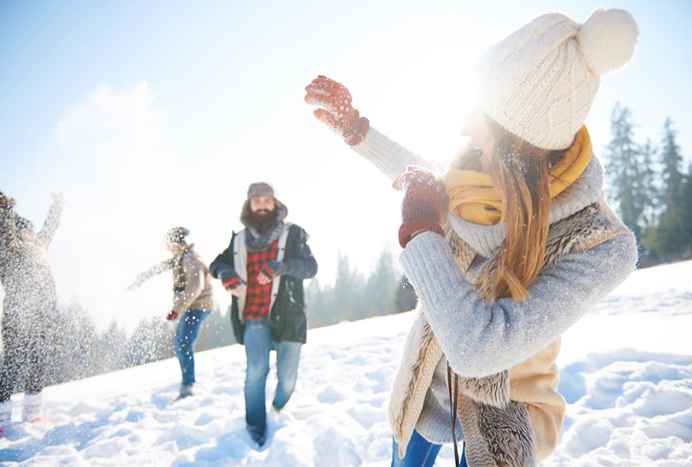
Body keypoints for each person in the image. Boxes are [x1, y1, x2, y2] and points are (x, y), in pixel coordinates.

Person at [305, 9, 639, 467]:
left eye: (482, 121)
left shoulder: (596, 244)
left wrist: (421, 235)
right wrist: (357, 131)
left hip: (507, 411)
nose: (467, 128)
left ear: (520, 140)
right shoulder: (475, 177)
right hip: (429, 385)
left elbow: (478, 350)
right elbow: (416, 170)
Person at [209, 182, 317, 447]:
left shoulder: (293, 234)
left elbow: (310, 267)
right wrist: (225, 273)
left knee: (288, 379)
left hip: (289, 316)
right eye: (256, 200)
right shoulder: (239, 239)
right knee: (256, 370)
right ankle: (255, 426)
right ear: (249, 204)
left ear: (274, 202)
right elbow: (216, 264)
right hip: (253, 315)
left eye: (266, 199)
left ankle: (279, 409)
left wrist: (281, 267)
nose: (261, 205)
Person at [0, 191, 63, 436]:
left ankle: (33, 411)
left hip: (44, 310)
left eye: (30, 230)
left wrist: (57, 206)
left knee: (39, 357)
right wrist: (5, 211)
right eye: (25, 230)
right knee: (13, 360)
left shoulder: (39, 245)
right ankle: (3, 415)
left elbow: (50, 227)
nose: (30, 234)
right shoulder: (9, 249)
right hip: (18, 311)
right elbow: (6, 235)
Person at [128, 227, 214, 399]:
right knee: (180, 344)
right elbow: (160, 267)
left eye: (168, 244)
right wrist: (141, 278)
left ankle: (188, 386)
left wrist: (177, 309)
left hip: (198, 307)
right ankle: (187, 383)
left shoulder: (192, 259)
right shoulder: (180, 257)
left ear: (176, 243)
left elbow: (195, 287)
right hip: (191, 307)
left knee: (183, 344)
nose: (167, 248)